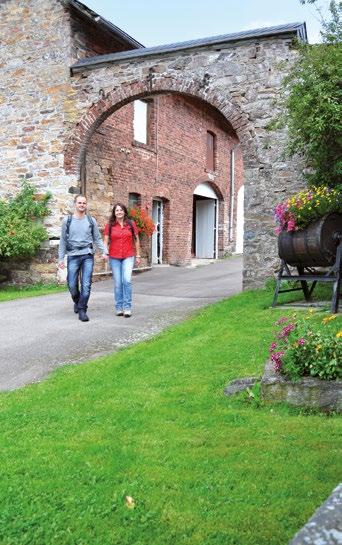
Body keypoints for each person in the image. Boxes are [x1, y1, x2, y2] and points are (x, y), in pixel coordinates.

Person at [58, 194, 108, 322]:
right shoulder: (67, 221)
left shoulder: (91, 221)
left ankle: (82, 310)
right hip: (73, 255)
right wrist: (60, 259)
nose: (82, 205)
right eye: (79, 203)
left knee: (86, 285)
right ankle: (77, 300)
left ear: (86, 205)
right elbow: (63, 240)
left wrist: (104, 252)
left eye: (84, 203)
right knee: (72, 285)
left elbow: (97, 238)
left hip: (87, 255)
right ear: (75, 204)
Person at [104, 203, 141, 317]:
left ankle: (127, 307)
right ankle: (119, 307)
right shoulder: (110, 225)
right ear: (114, 213)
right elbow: (105, 241)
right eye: (117, 210)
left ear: (124, 211)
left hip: (128, 256)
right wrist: (105, 253)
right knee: (118, 283)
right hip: (114, 257)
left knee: (127, 281)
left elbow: (136, 240)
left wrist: (138, 255)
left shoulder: (131, 224)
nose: (119, 212)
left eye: (121, 210)